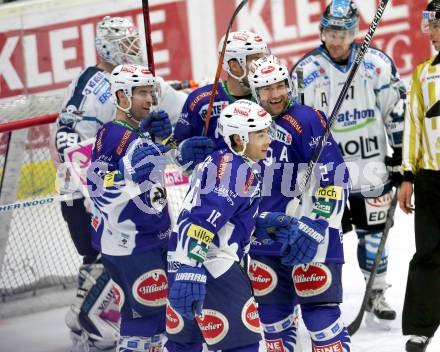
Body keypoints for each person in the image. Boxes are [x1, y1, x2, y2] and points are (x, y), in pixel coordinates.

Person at [51, 15, 185, 350]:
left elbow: (177, 107)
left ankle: (87, 318)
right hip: (81, 187)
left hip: (116, 186)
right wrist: (93, 186)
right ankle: (86, 318)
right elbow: (67, 139)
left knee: (105, 254)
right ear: (106, 46)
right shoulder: (94, 84)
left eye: (135, 42)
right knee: (101, 251)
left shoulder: (133, 82)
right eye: (127, 45)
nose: (135, 49)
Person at [291, 0, 406, 329]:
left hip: (371, 168)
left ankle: (377, 293)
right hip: (327, 176)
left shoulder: (377, 63)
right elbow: (294, 123)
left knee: (373, 237)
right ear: (321, 31)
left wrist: (399, 156)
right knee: (322, 237)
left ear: (355, 33)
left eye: (343, 32)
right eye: (330, 31)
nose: (336, 39)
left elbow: (395, 111)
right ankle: (314, 299)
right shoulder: (305, 71)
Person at [248, 56, 351, 351]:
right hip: (265, 240)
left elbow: (336, 178)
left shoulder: (306, 119)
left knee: (321, 322)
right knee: (273, 328)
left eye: (280, 85)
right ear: (256, 93)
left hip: (309, 236)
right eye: (267, 89)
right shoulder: (247, 125)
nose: (276, 94)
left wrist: (317, 225)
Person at [166, 99, 285, 352]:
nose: (268, 140)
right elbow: (201, 220)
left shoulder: (225, 160)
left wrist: (262, 223)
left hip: (186, 263)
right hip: (212, 268)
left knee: (183, 346)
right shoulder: (234, 170)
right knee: (243, 346)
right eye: (260, 134)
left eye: (267, 132)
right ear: (239, 138)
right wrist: (192, 268)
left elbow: (222, 218)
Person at [87, 63, 172, 352]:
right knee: (143, 321)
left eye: (150, 92)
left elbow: (152, 168)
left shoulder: (136, 132)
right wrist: (125, 175)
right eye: (141, 93)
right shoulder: (113, 135)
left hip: (149, 239)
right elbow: (96, 188)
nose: (149, 99)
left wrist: (168, 143)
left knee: (158, 320)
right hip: (133, 244)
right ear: (122, 97)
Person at [399, 1, 440, 350]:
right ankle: (420, 326)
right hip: (430, 177)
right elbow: (412, 126)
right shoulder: (423, 73)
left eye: (439, 24)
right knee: (428, 252)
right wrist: (407, 175)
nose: (434, 32)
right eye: (431, 24)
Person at [170, 30, 269, 170]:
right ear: (234, 66)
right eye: (255, 60)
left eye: (263, 59)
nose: (262, 67)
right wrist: (181, 152)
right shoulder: (201, 100)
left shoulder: (272, 97)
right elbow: (173, 146)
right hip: (217, 186)